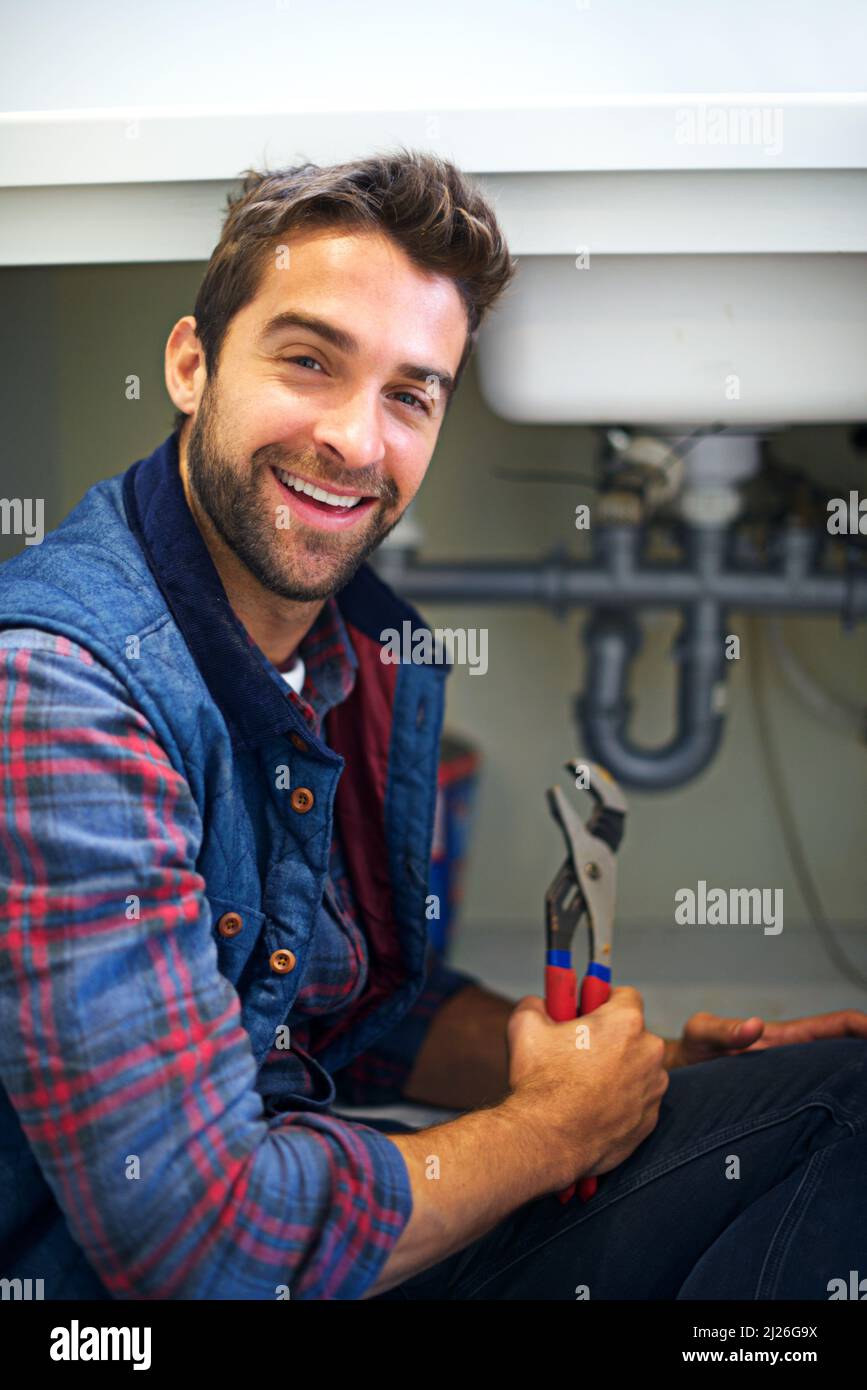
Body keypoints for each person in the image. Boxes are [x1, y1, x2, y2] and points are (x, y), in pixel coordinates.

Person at [0, 150, 864, 1302]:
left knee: (828, 1105)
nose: (357, 442)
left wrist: (630, 1081)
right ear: (192, 363)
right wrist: (555, 1129)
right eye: (310, 361)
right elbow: (199, 1245)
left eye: (410, 394)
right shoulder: (58, 698)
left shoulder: (347, 647)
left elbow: (360, 1009)